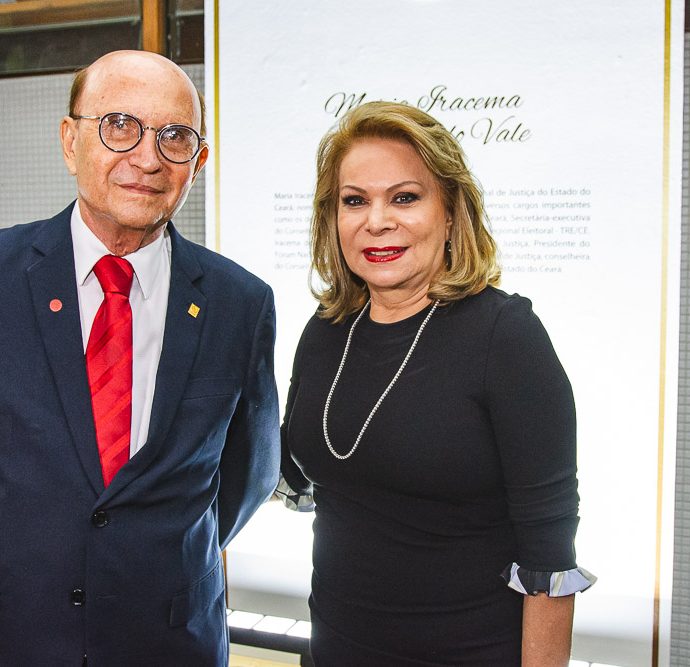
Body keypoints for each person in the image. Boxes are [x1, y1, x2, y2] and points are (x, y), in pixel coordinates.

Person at [278, 101, 595, 666]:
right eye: (355, 201)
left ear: (450, 212)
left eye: (405, 197)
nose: (377, 221)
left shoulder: (505, 335)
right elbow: (294, 465)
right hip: (335, 651)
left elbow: (548, 556)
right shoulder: (326, 330)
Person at [0, 50, 280, 666]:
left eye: (174, 137)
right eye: (119, 126)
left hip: (170, 639)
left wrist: (156, 557)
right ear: (70, 141)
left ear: (198, 162)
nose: (148, 158)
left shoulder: (240, 303)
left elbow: (250, 473)